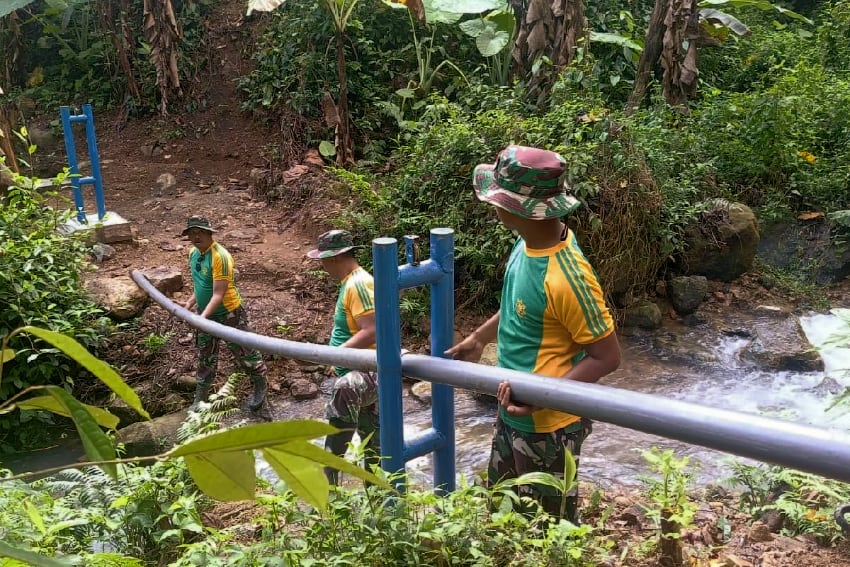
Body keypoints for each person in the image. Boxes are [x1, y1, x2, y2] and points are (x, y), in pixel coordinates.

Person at [446, 145, 621, 523]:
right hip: (512, 408)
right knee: (503, 513)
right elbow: (517, 307)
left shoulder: (567, 277)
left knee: (549, 529)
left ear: (515, 208)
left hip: (550, 427)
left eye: (497, 196)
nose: (491, 203)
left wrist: (542, 399)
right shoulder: (527, 243)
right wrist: (479, 338)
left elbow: (607, 357)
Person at [306, 229, 379, 485]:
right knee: (374, 445)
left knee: (344, 390)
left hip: (367, 371)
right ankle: (374, 493)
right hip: (358, 368)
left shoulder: (358, 284)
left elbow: (372, 330)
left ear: (335, 257)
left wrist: (337, 355)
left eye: (323, 260)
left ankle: (330, 474)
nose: (323, 266)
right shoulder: (352, 282)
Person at [181, 215, 268, 412]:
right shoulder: (193, 253)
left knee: (245, 352)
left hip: (229, 313)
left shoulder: (220, 256)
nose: (196, 237)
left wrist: (201, 319)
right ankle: (200, 398)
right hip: (205, 313)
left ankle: (260, 386)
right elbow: (201, 285)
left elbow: (218, 294)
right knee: (206, 356)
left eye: (200, 232)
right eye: (192, 233)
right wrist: (189, 303)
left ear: (209, 233)